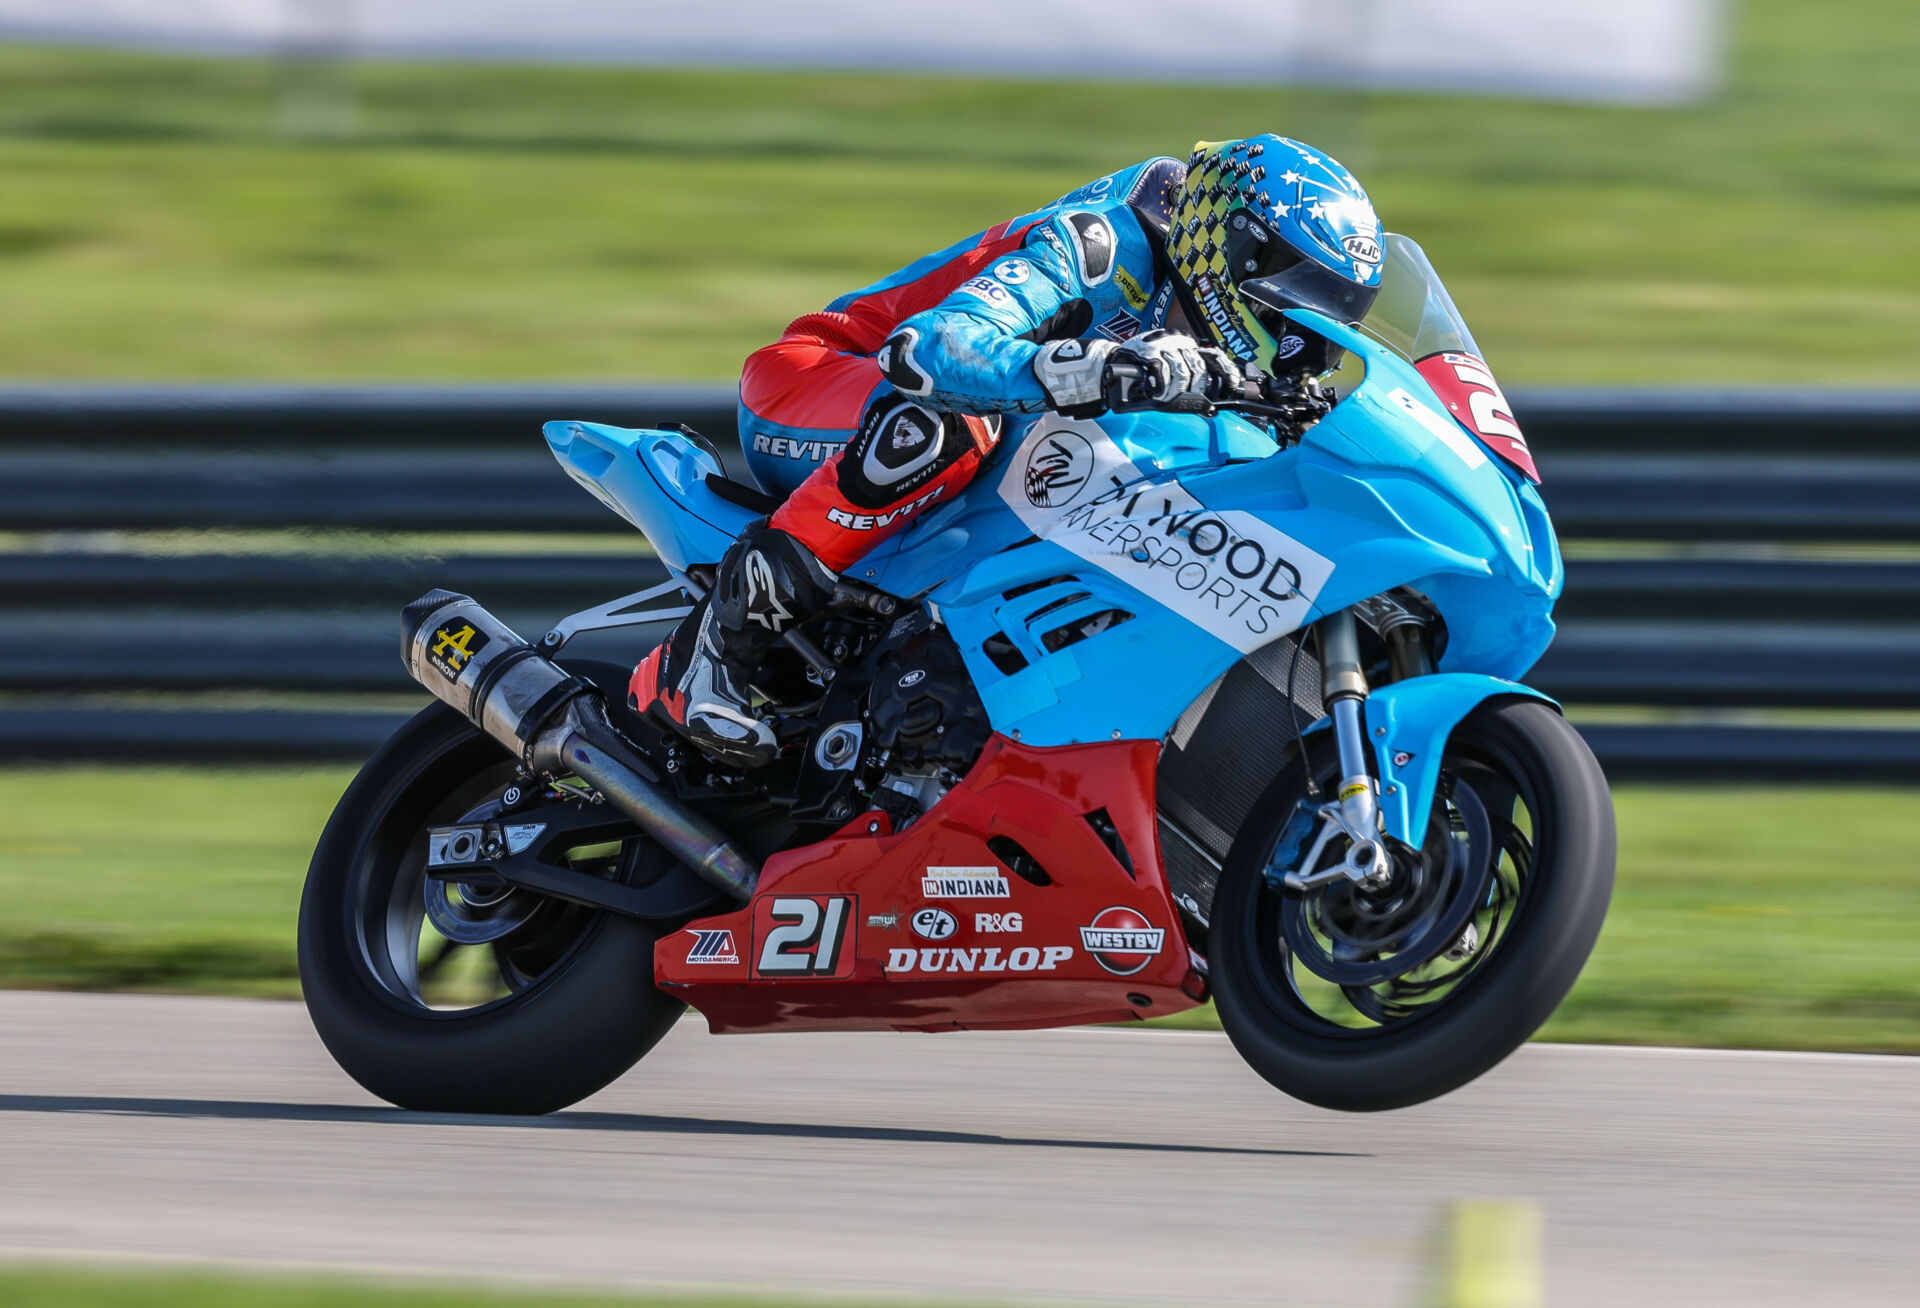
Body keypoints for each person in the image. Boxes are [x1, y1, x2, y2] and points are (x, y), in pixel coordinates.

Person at [631, 134, 1385, 768]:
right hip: (819, 380)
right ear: (1236, 250)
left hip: (952, 444)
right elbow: (931, 351)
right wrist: (1095, 367)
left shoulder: (1237, 365)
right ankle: (713, 652)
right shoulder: (1106, 242)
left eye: (1329, 327)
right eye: (1297, 308)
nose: (1303, 348)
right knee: (963, 418)